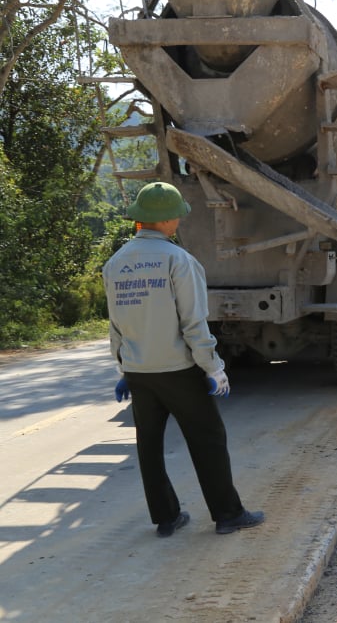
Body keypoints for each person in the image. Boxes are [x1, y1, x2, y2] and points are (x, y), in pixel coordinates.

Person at [102, 182, 265, 538]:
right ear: (164, 220)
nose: (179, 220)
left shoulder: (115, 264)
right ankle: (227, 514)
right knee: (207, 438)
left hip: (139, 371)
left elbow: (116, 324)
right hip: (178, 370)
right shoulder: (178, 261)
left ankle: (166, 518)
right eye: (176, 215)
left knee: (148, 443)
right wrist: (214, 368)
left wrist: (122, 367)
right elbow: (193, 323)